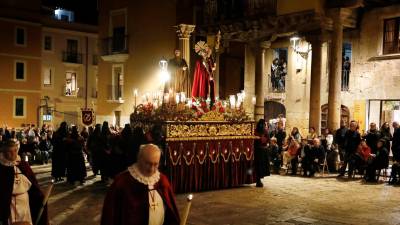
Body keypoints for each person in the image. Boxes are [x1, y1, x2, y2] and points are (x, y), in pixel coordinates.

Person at [101, 144, 180, 225]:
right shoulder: (122, 182)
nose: (151, 169)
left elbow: (171, 212)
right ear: (139, 159)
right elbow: (110, 215)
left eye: (155, 164)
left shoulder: (162, 180)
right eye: (148, 163)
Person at [0, 140, 49, 225]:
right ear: (4, 152)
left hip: (24, 202)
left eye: (15, 150)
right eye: (9, 151)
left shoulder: (23, 164)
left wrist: (40, 196)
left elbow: (33, 184)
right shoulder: (1, 167)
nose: (13, 154)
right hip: (9, 204)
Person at [254, 119, 270, 187]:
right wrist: (261, 139)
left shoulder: (264, 131)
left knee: (261, 166)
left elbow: (268, 139)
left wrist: (264, 140)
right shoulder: (256, 131)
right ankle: (258, 180)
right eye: (263, 124)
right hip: (258, 151)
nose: (263, 125)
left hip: (262, 151)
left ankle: (259, 180)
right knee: (258, 166)